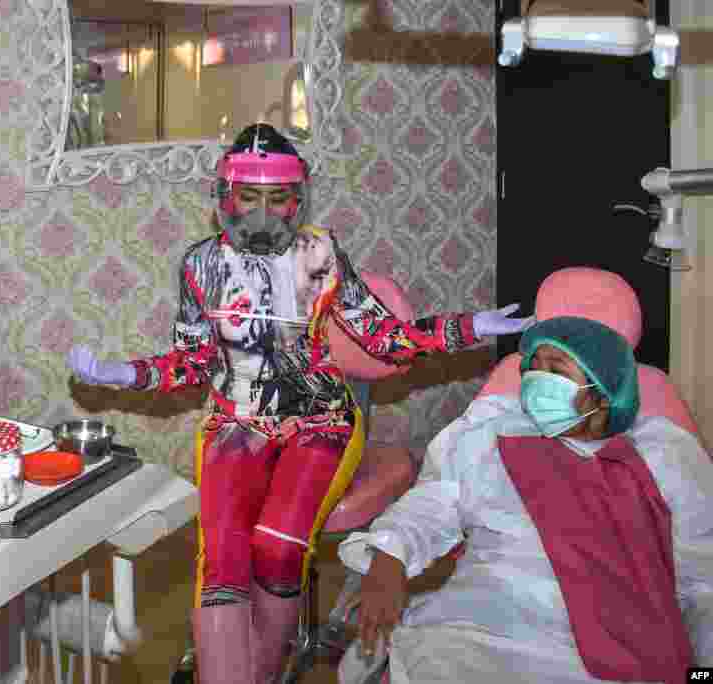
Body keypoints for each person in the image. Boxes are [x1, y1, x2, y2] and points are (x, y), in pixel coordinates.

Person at [66, 122, 534, 684]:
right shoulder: (200, 265)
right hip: (235, 422)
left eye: (277, 198)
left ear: (298, 199)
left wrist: (470, 327)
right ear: (224, 198)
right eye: (248, 197)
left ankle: (266, 671)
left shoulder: (321, 253)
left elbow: (385, 338)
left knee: (278, 548)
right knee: (222, 563)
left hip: (321, 420)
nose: (262, 215)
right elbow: (191, 362)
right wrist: (124, 373)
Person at [339, 316, 713, 684]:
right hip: (486, 621)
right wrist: (390, 557)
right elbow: (433, 503)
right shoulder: (492, 431)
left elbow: (702, 576)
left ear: (602, 390)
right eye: (532, 365)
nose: (536, 376)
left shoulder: (662, 453)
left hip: (624, 640)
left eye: (556, 368)